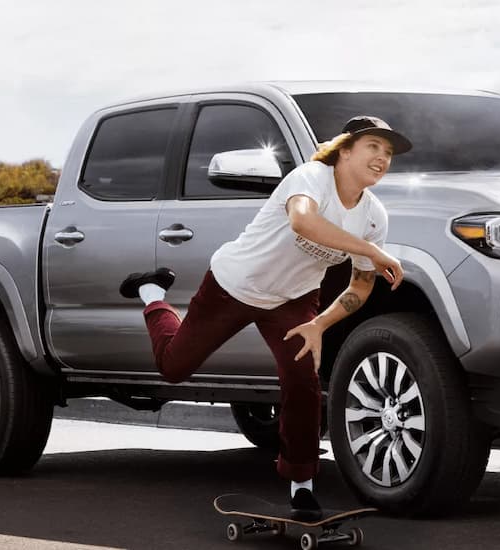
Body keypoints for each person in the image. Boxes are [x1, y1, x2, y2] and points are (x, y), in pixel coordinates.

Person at [118, 116, 410, 519]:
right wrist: (374, 252)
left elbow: (360, 285)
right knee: (173, 366)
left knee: (303, 382)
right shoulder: (311, 177)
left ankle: (302, 485)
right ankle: (152, 293)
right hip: (234, 284)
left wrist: (319, 324)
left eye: (388, 152)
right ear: (344, 150)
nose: (382, 158)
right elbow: (303, 221)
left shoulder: (374, 215)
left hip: (292, 300)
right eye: (372, 147)